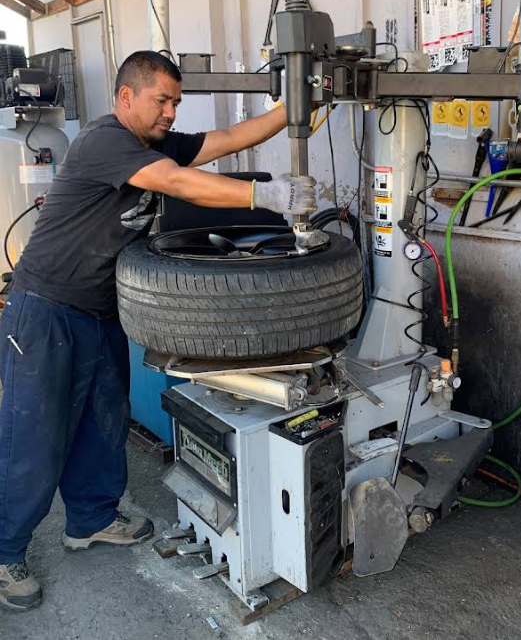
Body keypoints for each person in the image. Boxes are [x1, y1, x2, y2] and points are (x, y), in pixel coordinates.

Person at [0, 50, 316, 611]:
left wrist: (297, 107)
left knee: (104, 421)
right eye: (161, 100)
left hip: (98, 311)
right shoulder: (104, 142)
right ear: (127, 97)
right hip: (44, 308)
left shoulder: (155, 142)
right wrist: (265, 195)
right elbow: (179, 183)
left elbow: (226, 139)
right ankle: (5, 553)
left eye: (176, 101)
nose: (171, 111)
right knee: (35, 434)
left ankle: (91, 520)